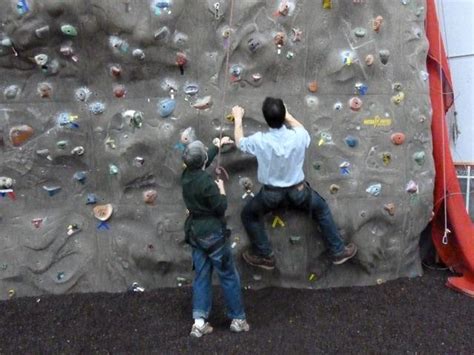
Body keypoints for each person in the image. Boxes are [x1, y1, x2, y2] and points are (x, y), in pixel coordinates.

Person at [232, 97, 358, 270]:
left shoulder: (260, 140)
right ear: (283, 115)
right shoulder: (299, 136)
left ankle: (265, 255)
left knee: (248, 215)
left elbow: (240, 142)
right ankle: (337, 251)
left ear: (265, 118)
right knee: (321, 210)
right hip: (298, 192)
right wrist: (288, 115)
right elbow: (301, 129)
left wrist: (238, 118)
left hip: (271, 195)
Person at [181, 138, 250, 338]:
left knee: (202, 275)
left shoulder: (186, 175)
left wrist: (216, 146)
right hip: (213, 233)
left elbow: (202, 160)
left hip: (195, 232)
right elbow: (220, 207)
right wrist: (221, 188)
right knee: (228, 274)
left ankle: (199, 322)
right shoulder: (207, 183)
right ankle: (238, 319)